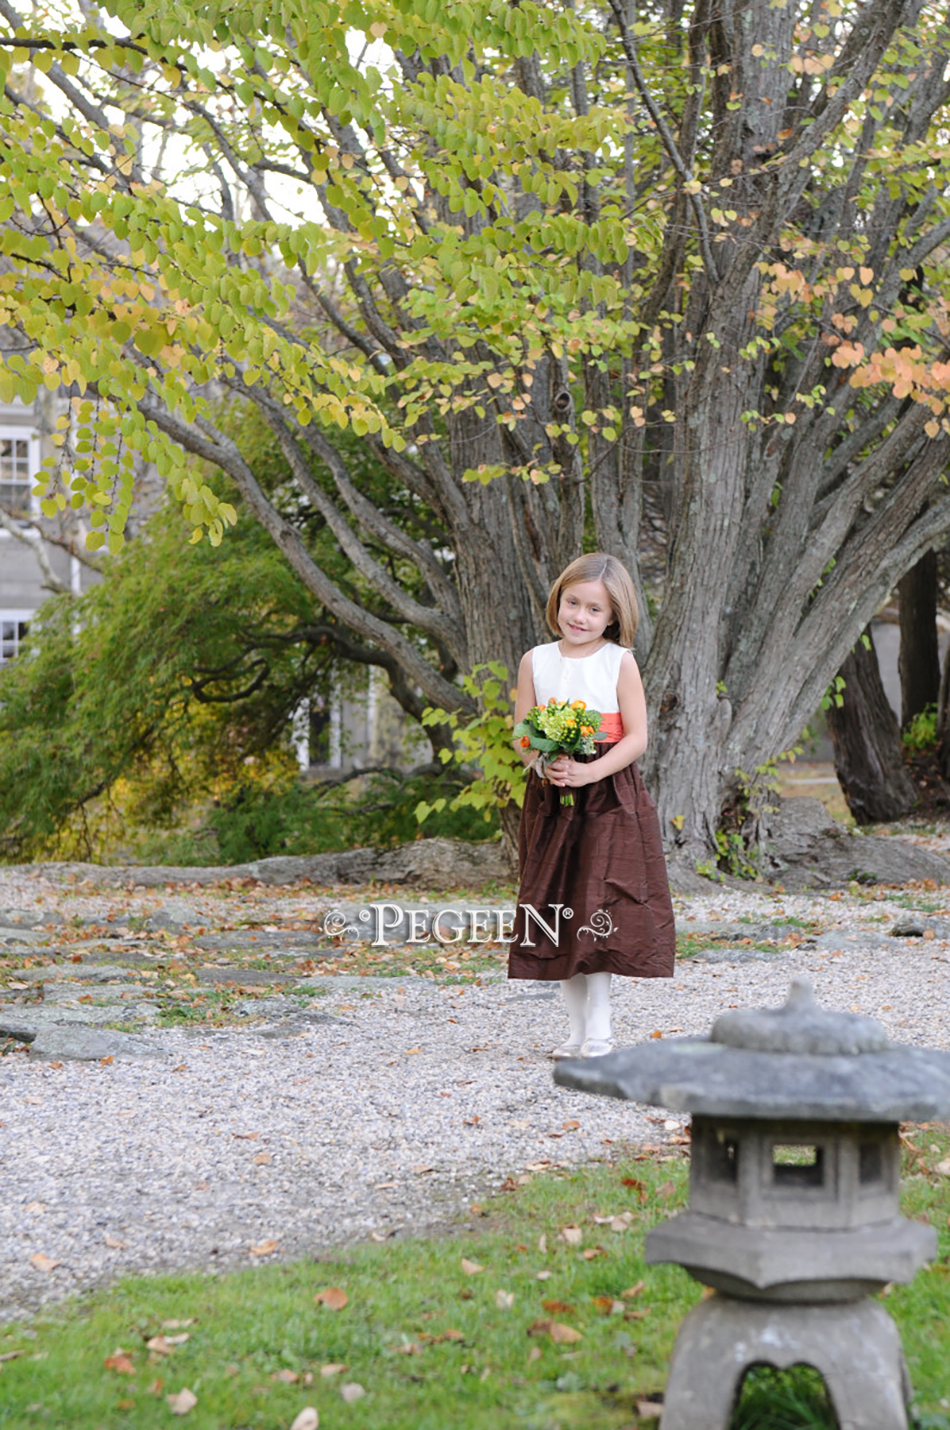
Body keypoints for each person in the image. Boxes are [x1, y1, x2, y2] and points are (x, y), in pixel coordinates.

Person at [509, 552, 675, 1058]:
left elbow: (638, 736)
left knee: (597, 905)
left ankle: (600, 1030)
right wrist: (544, 764)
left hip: (607, 797)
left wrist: (590, 771)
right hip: (552, 800)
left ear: (614, 617)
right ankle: (576, 1029)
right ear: (558, 599)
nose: (580, 616)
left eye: (594, 610)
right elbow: (521, 736)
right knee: (558, 906)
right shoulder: (536, 660)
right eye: (572, 602)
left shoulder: (618, 661)